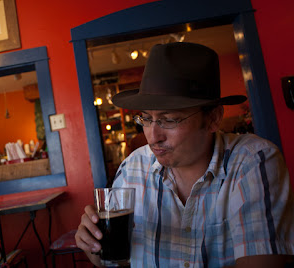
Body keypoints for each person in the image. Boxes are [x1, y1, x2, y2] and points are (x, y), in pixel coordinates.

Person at [75, 42, 294, 267]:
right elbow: (116, 261)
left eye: (169, 119)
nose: (153, 136)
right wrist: (94, 246)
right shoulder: (132, 168)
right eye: (146, 118)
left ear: (213, 119)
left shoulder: (252, 161)